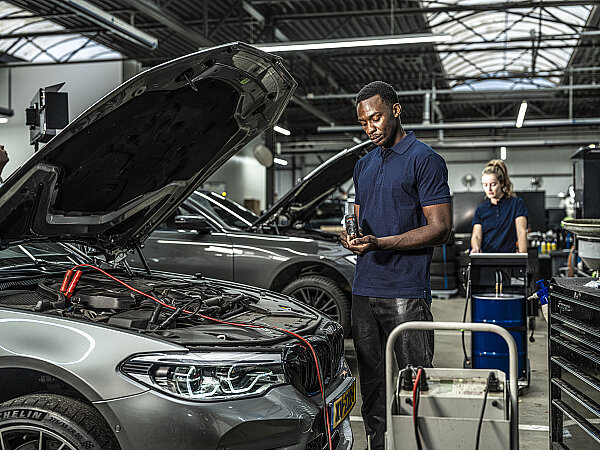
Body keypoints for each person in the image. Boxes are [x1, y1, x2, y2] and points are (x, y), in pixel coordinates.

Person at [340, 81, 452, 449]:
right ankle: (377, 444)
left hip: (405, 291)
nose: (370, 127)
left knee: (414, 384)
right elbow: (361, 220)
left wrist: (381, 243)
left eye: (376, 118)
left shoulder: (425, 159)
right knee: (372, 385)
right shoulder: (363, 165)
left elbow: (440, 228)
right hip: (364, 290)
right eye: (363, 123)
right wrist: (353, 239)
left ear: (396, 110)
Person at [471, 160, 528, 253]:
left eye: (493, 184)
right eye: (485, 185)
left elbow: (521, 232)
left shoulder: (516, 204)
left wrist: (522, 257)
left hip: (509, 259)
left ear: (501, 183)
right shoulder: (481, 210)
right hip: (487, 259)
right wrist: (476, 247)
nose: (489, 188)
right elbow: (476, 236)